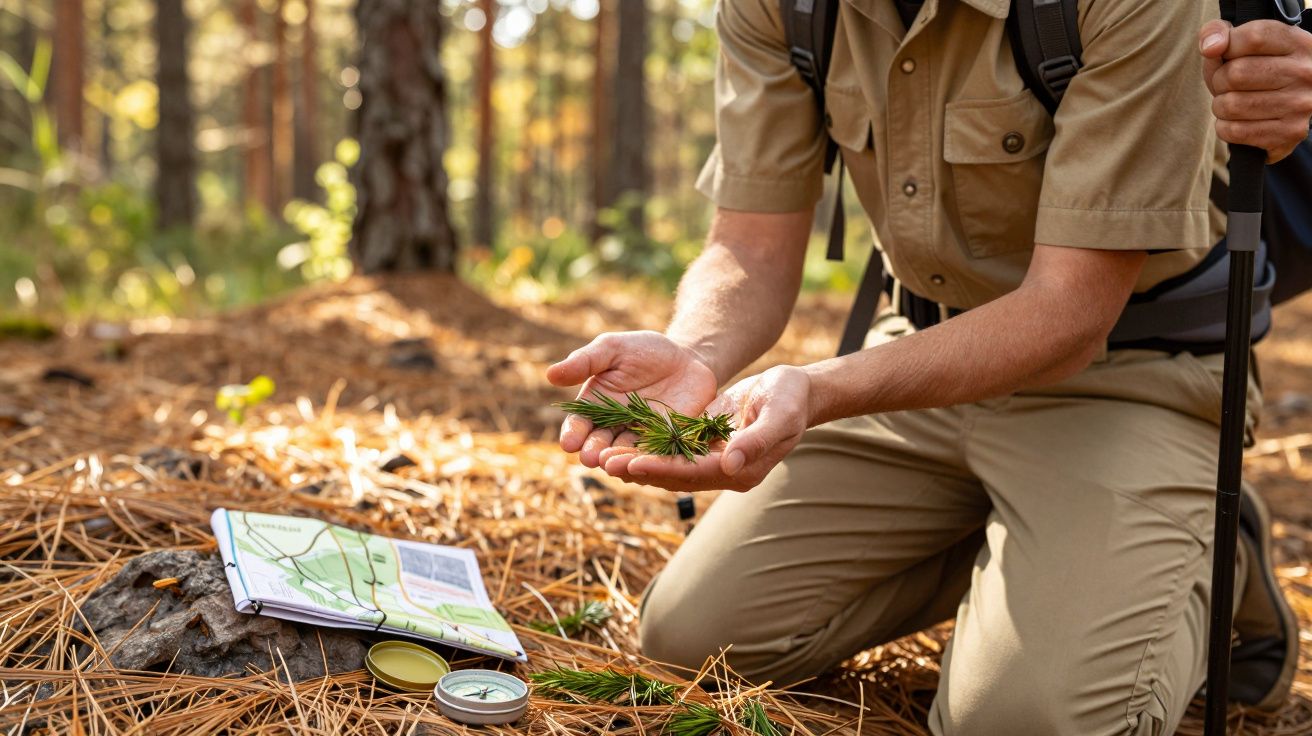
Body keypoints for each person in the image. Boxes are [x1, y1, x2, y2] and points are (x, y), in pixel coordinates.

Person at [549, 3, 1312, 734]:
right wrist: (696, 351)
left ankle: (1205, 550)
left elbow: (1069, 314)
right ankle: (1048, 535)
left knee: (1024, 727)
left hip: (1132, 375)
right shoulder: (784, 6)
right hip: (917, 359)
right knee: (695, 640)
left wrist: (818, 389)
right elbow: (749, 245)